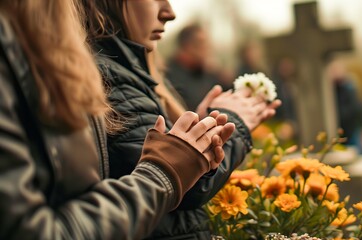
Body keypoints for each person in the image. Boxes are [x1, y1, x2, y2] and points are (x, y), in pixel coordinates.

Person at [0, 0, 235, 239]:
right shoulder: (106, 74)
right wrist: (163, 173)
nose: (169, 13)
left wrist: (203, 131)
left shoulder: (52, 59)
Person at [81, 0, 281, 239]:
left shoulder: (124, 72)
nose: (169, 13)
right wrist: (234, 124)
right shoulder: (110, 76)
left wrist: (207, 124)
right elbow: (181, 186)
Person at [166, 24, 223, 111]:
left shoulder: (208, 74)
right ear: (187, 46)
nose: (207, 48)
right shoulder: (168, 76)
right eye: (202, 43)